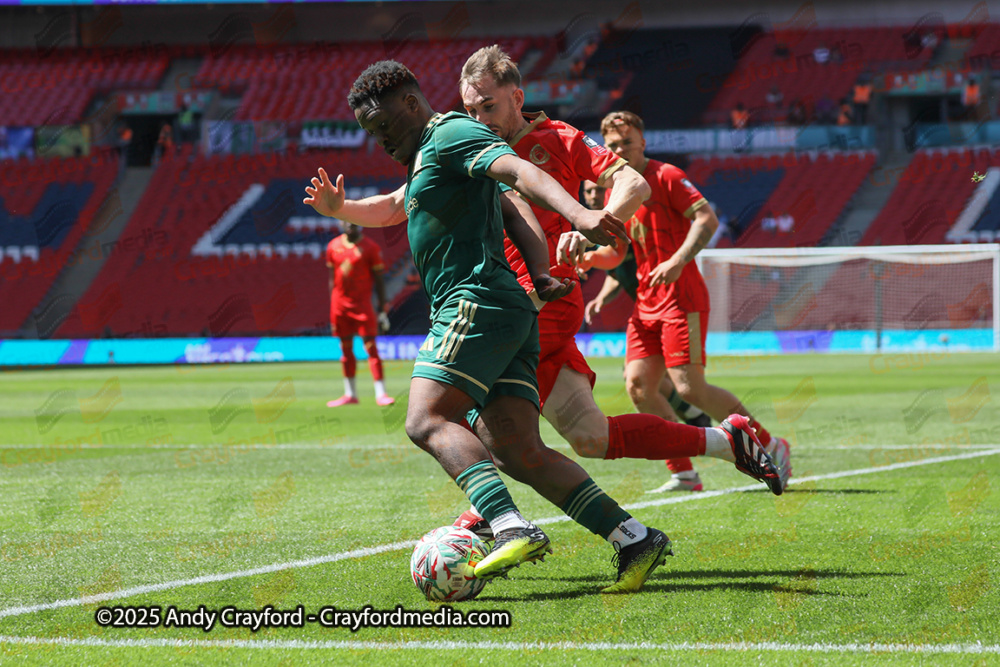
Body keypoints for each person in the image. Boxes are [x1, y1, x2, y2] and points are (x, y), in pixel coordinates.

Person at [304, 60, 730, 592]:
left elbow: (522, 175)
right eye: (371, 132)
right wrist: (340, 207)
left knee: (425, 419)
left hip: (474, 301)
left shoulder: (451, 134)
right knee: (516, 448)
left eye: (384, 124)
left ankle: (505, 524)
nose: (381, 139)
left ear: (412, 104)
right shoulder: (429, 159)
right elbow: (511, 208)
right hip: (512, 306)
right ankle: (633, 537)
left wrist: (577, 215)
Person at [457, 46, 779, 495]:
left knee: (451, 404)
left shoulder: (643, 170)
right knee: (604, 423)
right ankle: (716, 447)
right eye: (470, 110)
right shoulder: (471, 146)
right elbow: (618, 254)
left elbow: (692, 215)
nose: (479, 118)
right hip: (629, 299)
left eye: (488, 107)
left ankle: (489, 522)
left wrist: (618, 242)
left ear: (517, 97)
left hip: (552, 302)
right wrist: (350, 208)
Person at [586, 111, 792, 492]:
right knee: (639, 387)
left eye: (626, 142)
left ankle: (768, 444)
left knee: (689, 388)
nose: (619, 150)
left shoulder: (667, 177)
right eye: (612, 145)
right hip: (646, 302)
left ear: (642, 142)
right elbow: (616, 255)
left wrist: (677, 260)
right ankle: (683, 473)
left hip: (681, 298)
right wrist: (587, 257)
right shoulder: (620, 190)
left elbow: (706, 219)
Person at [581, 179, 713, 448]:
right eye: (588, 191)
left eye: (597, 190)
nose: (593, 195)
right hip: (646, 309)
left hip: (669, 304)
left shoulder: (620, 218)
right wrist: (601, 299)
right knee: (641, 381)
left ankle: (738, 436)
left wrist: (593, 258)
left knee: (676, 384)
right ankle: (690, 436)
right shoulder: (602, 225)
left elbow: (617, 258)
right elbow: (616, 271)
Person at [325, 221, 395, 407]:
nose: (350, 225)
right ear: (341, 223)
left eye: (354, 222)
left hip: (363, 306)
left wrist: (382, 307)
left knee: (371, 349)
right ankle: (350, 394)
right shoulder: (333, 246)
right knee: (345, 349)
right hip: (340, 306)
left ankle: (381, 394)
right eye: (346, 221)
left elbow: (379, 280)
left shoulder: (370, 248)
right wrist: (333, 304)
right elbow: (332, 279)